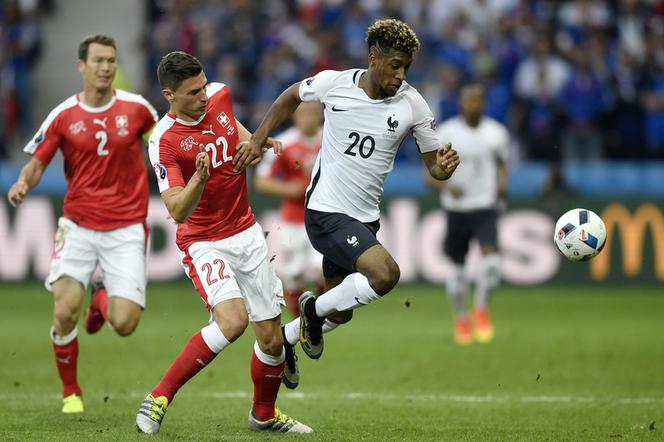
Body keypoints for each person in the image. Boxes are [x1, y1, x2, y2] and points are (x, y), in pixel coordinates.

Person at [243, 18, 460, 364]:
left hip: (364, 219)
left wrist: (443, 169)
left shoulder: (413, 104)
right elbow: (290, 97)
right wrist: (256, 139)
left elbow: (434, 165)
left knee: (341, 311)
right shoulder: (335, 84)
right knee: (385, 274)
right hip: (325, 212)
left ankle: (286, 337)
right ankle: (312, 311)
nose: (401, 75)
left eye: (406, 67)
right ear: (373, 59)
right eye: (395, 65)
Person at [135, 51, 311, 434]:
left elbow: (227, 125)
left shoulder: (220, 95)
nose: (204, 95)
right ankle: (159, 397)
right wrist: (199, 177)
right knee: (232, 321)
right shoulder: (164, 141)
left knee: (271, 337)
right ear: (169, 94)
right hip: (203, 240)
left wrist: (255, 141)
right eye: (194, 91)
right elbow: (177, 210)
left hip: (246, 231)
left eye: (204, 85)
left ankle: (263, 415)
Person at [6, 34, 158, 414]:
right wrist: (24, 182)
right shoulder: (63, 115)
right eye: (99, 61)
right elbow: (38, 161)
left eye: (111, 60)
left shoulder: (138, 109)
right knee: (64, 311)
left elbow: (163, 144)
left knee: (124, 324)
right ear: (81, 66)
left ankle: (102, 291)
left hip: (126, 227)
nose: (106, 67)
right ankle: (71, 391)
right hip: (79, 224)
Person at [427, 84, 508, 345]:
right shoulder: (447, 132)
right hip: (456, 209)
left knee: (492, 263)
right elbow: (430, 174)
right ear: (461, 104)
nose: (474, 105)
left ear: (484, 104)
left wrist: (501, 188)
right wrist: (448, 186)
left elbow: (502, 165)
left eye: (478, 100)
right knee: (457, 270)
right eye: (469, 100)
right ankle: (462, 318)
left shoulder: (497, 133)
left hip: (485, 206)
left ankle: (481, 310)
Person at [253, 101, 324, 319]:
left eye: (312, 113)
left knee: (321, 269)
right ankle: (301, 321)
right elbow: (260, 181)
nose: (308, 118)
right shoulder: (285, 143)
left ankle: (322, 316)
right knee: (293, 277)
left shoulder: (331, 140)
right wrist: (288, 188)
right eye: (303, 114)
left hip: (323, 219)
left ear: (320, 115)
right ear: (295, 117)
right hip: (293, 220)